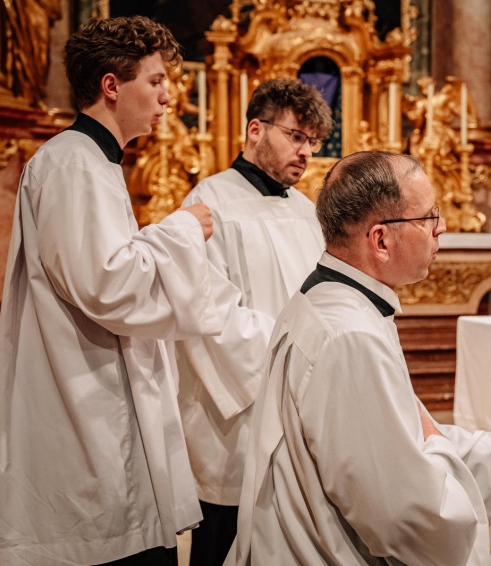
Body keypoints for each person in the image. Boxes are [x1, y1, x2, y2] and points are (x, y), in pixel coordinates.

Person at [226, 151, 491, 565]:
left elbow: (402, 439)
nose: (442, 227)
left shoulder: (334, 300)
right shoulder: (351, 336)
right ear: (381, 241)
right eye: (428, 217)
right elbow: (407, 515)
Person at [0, 16, 224, 565]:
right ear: (112, 85)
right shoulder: (73, 164)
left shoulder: (93, 162)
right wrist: (182, 230)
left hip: (100, 400)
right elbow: (108, 285)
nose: (167, 96)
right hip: (84, 410)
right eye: (155, 81)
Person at [176, 77, 332, 565]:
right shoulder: (208, 203)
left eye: (313, 141)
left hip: (300, 401)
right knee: (224, 538)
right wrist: (291, 357)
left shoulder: (308, 212)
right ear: (255, 130)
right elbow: (206, 311)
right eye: (295, 136)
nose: (305, 152)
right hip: (238, 409)